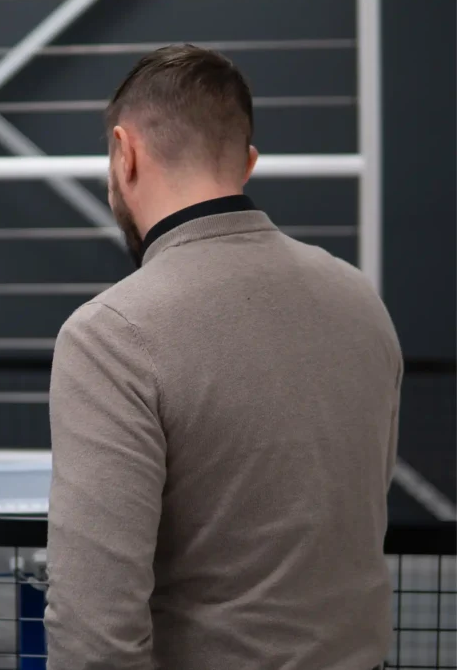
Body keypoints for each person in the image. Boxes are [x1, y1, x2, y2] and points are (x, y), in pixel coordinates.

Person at [45, 44, 401, 670]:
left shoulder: (111, 336)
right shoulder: (358, 298)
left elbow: (94, 633)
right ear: (248, 164)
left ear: (125, 155)